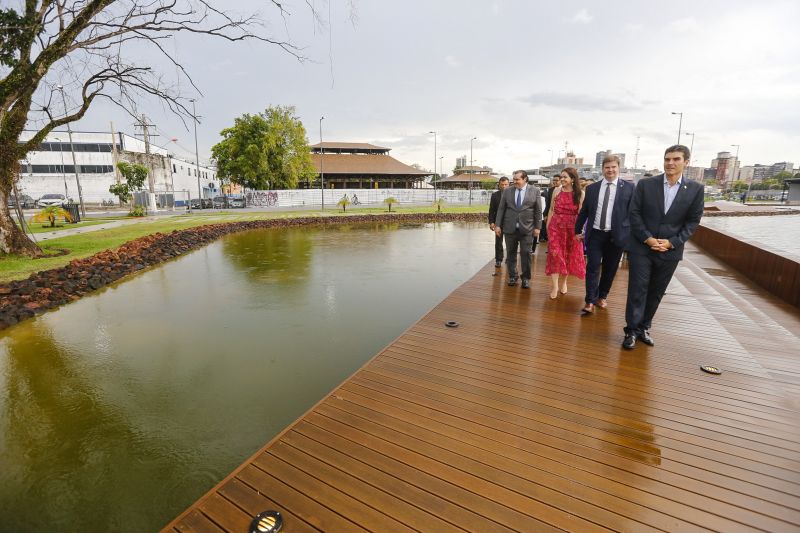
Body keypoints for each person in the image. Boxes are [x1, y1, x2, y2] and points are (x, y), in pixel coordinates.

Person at [623, 145, 704, 349]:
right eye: (667, 159)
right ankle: (631, 330)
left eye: (676, 159)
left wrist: (673, 242)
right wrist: (648, 238)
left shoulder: (695, 189)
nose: (670, 163)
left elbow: (693, 221)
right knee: (637, 290)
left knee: (656, 291)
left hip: (670, 250)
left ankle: (644, 327)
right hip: (642, 247)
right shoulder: (646, 184)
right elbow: (634, 213)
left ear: (686, 162)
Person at [575, 155, 634, 314]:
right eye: (607, 167)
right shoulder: (592, 188)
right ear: (602, 169)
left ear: (618, 168)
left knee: (610, 268)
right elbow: (584, 211)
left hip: (616, 236)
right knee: (592, 266)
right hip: (595, 234)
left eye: (613, 167)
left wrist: (629, 234)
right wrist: (577, 230)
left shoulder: (629, 188)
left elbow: (633, 213)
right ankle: (589, 300)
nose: (610, 170)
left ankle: (602, 296)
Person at [495, 170, 542, 289]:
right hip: (509, 228)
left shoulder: (535, 191)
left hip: (527, 229)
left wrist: (538, 227)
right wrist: (498, 225)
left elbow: (538, 210)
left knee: (526, 254)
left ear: (525, 179)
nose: (514, 181)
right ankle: (512, 276)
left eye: (517, 179)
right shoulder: (507, 191)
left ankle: (525, 278)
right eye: (514, 179)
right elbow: (501, 209)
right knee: (510, 254)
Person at [544, 167, 585, 299]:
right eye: (561, 177)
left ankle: (564, 282)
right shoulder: (556, 190)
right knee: (555, 255)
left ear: (572, 179)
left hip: (571, 229)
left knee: (567, 256)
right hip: (556, 227)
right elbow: (551, 210)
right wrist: (548, 226)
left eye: (565, 177)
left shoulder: (580, 194)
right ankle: (555, 286)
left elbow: (581, 215)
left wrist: (579, 232)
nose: (562, 179)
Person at [488, 176, 510, 267]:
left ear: (509, 185)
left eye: (506, 184)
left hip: (510, 222)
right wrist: (491, 222)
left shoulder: (513, 194)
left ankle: (509, 259)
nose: (504, 186)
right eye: (502, 185)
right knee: (498, 242)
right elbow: (491, 210)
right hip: (498, 223)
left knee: (510, 243)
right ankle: (498, 259)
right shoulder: (495, 195)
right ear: (499, 185)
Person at [540, 176, 560, 243]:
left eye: (556, 180)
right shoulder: (551, 190)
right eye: (553, 180)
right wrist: (545, 214)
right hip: (552, 214)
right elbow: (548, 204)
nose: (554, 181)